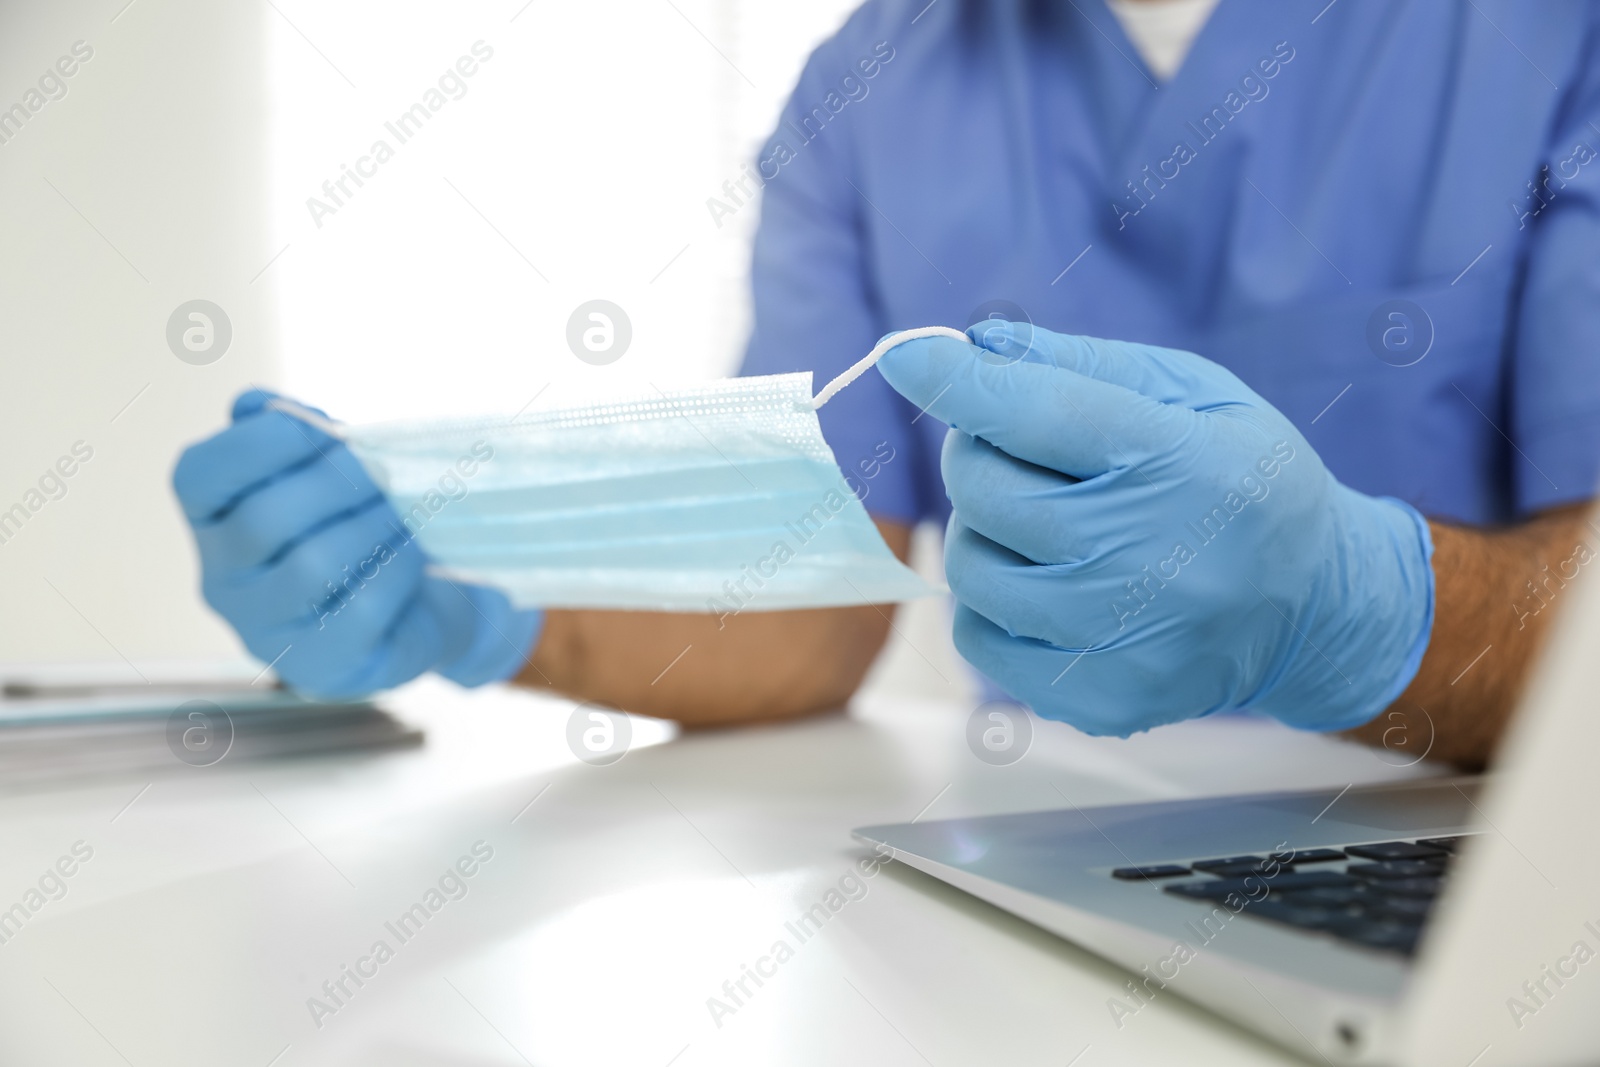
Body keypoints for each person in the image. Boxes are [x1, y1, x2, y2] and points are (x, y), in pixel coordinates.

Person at [173, 0, 1600, 769]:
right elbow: (815, 604)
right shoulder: (868, 84)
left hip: (1467, 855)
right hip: (1042, 864)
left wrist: (1357, 612)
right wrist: (473, 605)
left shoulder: (1550, 37)